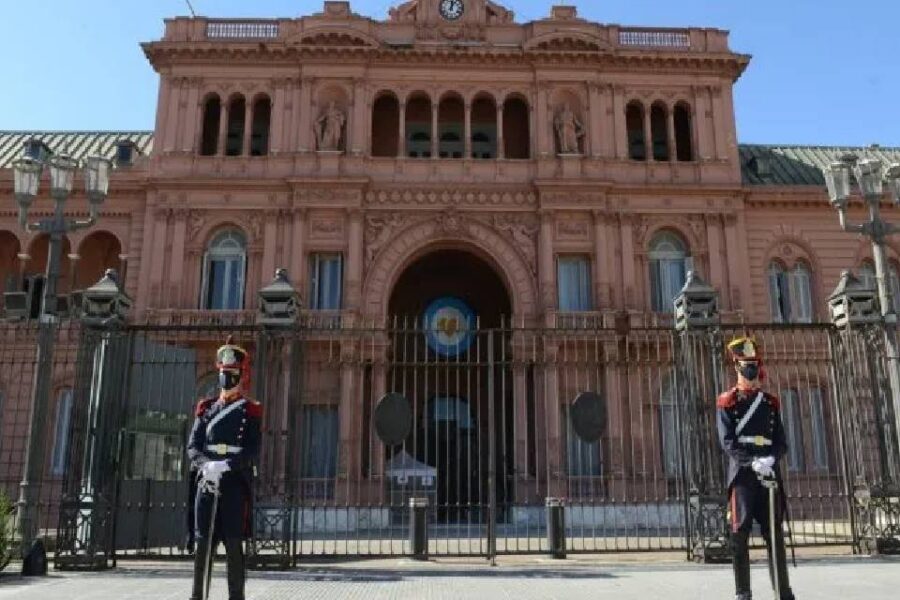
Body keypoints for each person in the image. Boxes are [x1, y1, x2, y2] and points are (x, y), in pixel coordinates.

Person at [717, 336, 796, 600]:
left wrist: (771, 459)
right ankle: (743, 592)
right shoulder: (728, 402)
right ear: (737, 369)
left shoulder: (770, 403)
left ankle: (783, 591)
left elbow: (781, 441)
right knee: (739, 535)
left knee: (774, 534)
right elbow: (728, 441)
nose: (751, 374)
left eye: (754, 368)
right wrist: (752, 462)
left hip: (769, 475)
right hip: (743, 476)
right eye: (746, 369)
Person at [187, 338, 262, 600]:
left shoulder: (250, 411)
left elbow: (253, 450)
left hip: (232, 486)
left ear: (242, 376)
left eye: (231, 374)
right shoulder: (206, 409)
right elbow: (193, 446)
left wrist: (226, 465)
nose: (225, 379)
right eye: (222, 374)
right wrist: (205, 466)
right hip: (206, 483)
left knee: (233, 546)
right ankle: (197, 596)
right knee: (203, 546)